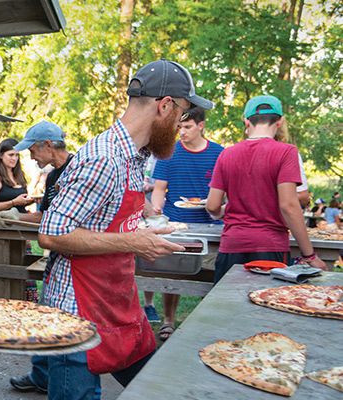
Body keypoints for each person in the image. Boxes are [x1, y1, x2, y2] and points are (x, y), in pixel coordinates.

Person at [37, 59, 210, 399]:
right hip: (77, 312)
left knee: (158, 388)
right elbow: (52, 233)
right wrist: (134, 241)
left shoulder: (138, 155)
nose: (181, 125)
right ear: (165, 106)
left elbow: (107, 217)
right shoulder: (104, 158)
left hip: (116, 299)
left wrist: (147, 231)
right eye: (183, 114)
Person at [206, 95, 328, 283]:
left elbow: (212, 205)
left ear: (246, 121)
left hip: (232, 245)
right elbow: (288, 205)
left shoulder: (226, 154)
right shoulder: (286, 152)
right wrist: (310, 256)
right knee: (265, 307)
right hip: (269, 247)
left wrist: (226, 210)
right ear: (279, 122)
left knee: (228, 309)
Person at [4, 120, 73, 394]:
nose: (30, 157)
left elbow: (50, 218)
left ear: (48, 145)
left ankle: (55, 379)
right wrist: (15, 216)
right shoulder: (53, 175)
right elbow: (45, 214)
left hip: (73, 256)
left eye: (32, 150)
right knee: (46, 314)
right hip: (55, 253)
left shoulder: (77, 169)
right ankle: (42, 375)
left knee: (61, 321)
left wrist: (14, 216)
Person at [144, 106, 224, 340]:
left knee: (211, 276)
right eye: (179, 127)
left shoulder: (219, 153)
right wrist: (157, 210)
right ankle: (168, 321)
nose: (182, 132)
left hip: (210, 224)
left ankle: (207, 324)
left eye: (187, 127)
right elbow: (159, 189)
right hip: (176, 222)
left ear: (201, 126)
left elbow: (224, 192)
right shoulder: (169, 152)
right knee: (173, 276)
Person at [0, 138, 36, 300]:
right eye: (10, 155)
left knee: (22, 270)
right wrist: (14, 202)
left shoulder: (19, 177)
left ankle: (23, 306)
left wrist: (28, 201)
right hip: (1, 232)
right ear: (1, 155)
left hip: (21, 231)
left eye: (17, 155)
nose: (14, 158)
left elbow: (20, 203)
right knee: (2, 273)